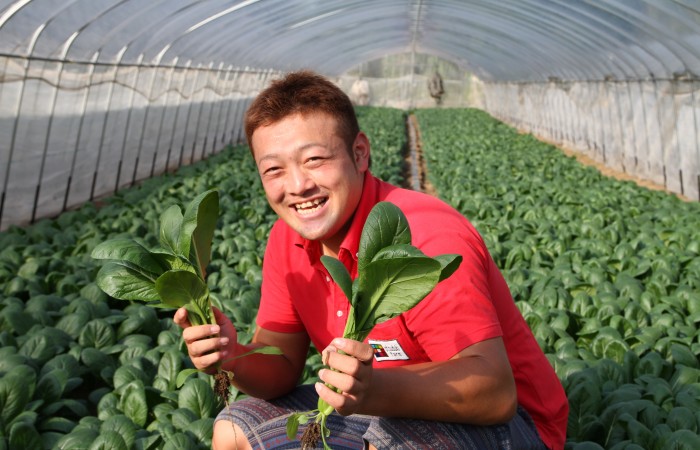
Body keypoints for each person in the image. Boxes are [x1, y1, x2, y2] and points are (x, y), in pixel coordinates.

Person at [174, 70, 568, 450]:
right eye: (274, 169)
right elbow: (281, 367)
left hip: (515, 424)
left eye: (314, 160)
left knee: (384, 444)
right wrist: (232, 357)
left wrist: (372, 389)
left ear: (359, 153)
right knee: (233, 427)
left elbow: (495, 394)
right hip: (380, 404)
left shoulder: (424, 237)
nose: (297, 186)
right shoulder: (286, 240)